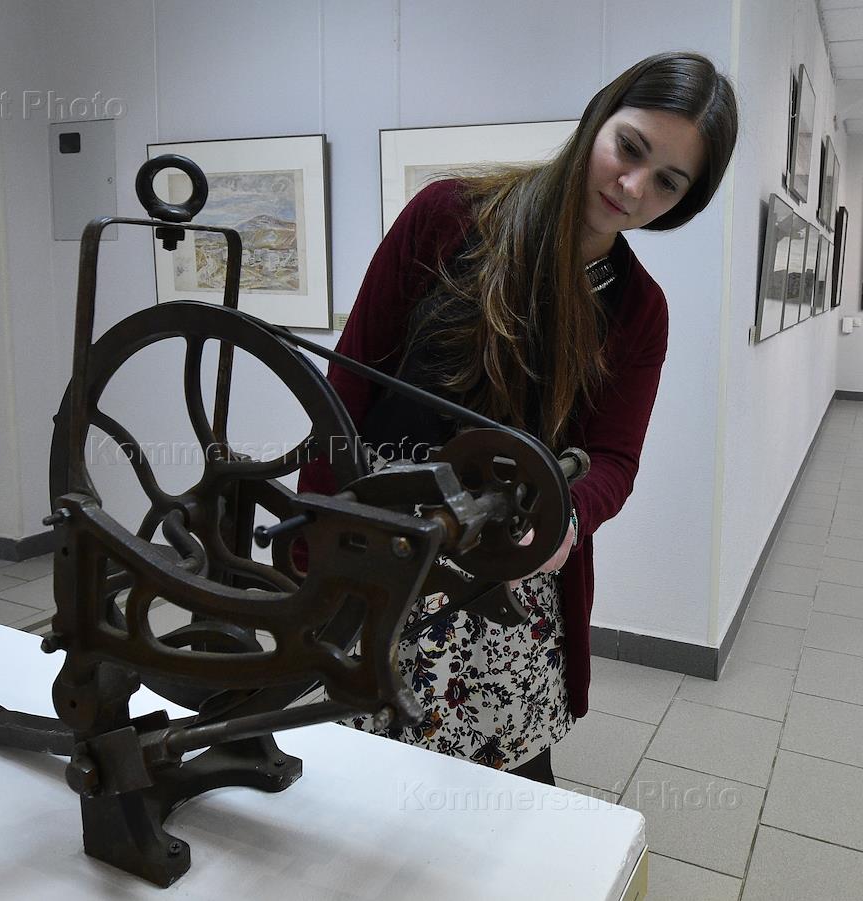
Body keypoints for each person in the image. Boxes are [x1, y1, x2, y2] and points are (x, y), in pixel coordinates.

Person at [297, 52, 738, 785]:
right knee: (366, 783)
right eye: (629, 148)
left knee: (507, 799)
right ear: (598, 119)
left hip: (507, 566)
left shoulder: (639, 309)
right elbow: (347, 385)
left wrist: (564, 524)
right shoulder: (448, 217)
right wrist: (312, 543)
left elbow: (613, 460)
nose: (633, 188)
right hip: (382, 540)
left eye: (668, 181)